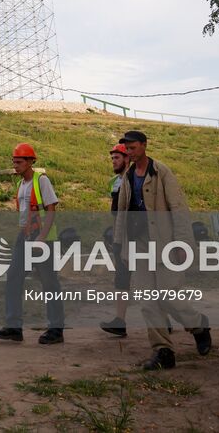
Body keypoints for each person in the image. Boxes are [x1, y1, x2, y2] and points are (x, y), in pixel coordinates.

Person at [112, 129, 211, 369]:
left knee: (168, 296)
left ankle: (198, 324)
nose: (130, 152)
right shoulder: (126, 176)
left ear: (145, 146)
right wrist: (121, 247)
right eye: (127, 148)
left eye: (134, 147)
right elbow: (122, 214)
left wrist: (183, 243)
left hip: (165, 243)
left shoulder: (161, 172)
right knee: (147, 301)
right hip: (139, 245)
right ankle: (163, 351)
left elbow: (178, 208)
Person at [0, 143, 65, 344]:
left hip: (43, 238)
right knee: (14, 276)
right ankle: (14, 327)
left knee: (49, 281)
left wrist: (42, 236)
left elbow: (51, 210)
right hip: (25, 236)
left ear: (31, 161)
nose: (16, 165)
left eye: (20, 161)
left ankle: (56, 329)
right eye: (14, 162)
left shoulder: (41, 181)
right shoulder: (20, 185)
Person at [100, 143, 132, 336]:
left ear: (127, 158)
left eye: (117, 158)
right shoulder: (116, 182)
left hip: (138, 238)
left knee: (150, 280)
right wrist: (113, 235)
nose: (113, 161)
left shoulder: (136, 180)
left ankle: (164, 319)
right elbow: (115, 213)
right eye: (112, 158)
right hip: (121, 238)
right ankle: (120, 322)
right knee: (121, 278)